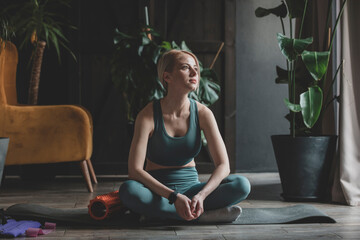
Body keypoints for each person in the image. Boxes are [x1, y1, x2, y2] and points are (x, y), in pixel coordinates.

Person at [119, 49, 250, 223]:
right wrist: (173, 197)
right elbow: (134, 170)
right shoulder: (147, 115)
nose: (195, 72)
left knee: (241, 185)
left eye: (195, 68)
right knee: (129, 190)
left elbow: (223, 165)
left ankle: (161, 215)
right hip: (158, 193)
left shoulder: (203, 114)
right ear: (167, 77)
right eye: (185, 67)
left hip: (192, 191)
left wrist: (201, 196)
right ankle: (202, 216)